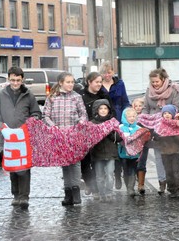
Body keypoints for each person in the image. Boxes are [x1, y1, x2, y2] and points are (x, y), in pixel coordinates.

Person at [0, 67, 42, 208]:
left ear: (22, 80)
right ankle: (16, 195)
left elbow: (36, 112)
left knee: (24, 167)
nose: (15, 83)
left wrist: (33, 120)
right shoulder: (2, 95)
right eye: (12, 80)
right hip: (7, 136)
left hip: (24, 138)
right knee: (13, 167)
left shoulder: (28, 95)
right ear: (8, 79)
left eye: (18, 80)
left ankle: (24, 196)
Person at [43, 72, 88, 206]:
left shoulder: (77, 97)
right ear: (61, 83)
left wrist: (80, 123)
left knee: (75, 163)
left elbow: (83, 114)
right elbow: (45, 115)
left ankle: (76, 192)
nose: (71, 84)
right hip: (59, 136)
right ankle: (68, 193)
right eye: (68, 82)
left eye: (72, 82)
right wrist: (53, 127)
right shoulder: (52, 97)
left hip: (74, 135)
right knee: (65, 165)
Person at [142, 68, 179, 194]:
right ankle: (162, 181)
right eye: (152, 82)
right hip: (154, 127)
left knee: (172, 157)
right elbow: (145, 107)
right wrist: (145, 120)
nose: (154, 84)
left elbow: (177, 106)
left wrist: (165, 114)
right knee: (158, 155)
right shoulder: (149, 91)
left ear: (163, 79)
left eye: (157, 81)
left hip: (169, 126)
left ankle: (175, 183)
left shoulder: (173, 90)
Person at [78, 71, 113, 199]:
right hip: (86, 131)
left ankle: (101, 188)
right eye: (97, 82)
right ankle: (92, 186)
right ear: (89, 82)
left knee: (99, 161)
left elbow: (111, 111)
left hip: (102, 133)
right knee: (85, 161)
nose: (99, 84)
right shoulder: (81, 96)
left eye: (100, 82)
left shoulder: (104, 94)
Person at [100, 61, 130, 190]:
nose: (107, 75)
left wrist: (125, 118)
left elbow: (125, 101)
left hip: (117, 117)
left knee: (118, 148)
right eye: (105, 73)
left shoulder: (119, 84)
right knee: (106, 147)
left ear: (113, 72)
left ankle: (118, 175)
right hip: (103, 118)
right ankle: (106, 176)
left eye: (109, 72)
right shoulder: (99, 84)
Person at [90, 100, 121, 201]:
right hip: (97, 153)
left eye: (105, 108)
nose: (103, 111)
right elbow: (89, 140)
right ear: (96, 110)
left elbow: (119, 138)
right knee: (99, 176)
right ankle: (102, 193)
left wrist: (111, 133)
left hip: (110, 152)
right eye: (100, 108)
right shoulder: (92, 123)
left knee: (110, 174)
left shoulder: (112, 122)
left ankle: (109, 193)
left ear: (108, 110)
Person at [159, 105, 179, 198]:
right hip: (164, 151)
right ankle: (171, 189)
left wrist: (172, 134)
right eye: (165, 113)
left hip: (175, 151)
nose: (167, 115)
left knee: (176, 171)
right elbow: (157, 139)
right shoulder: (160, 125)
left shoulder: (177, 124)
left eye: (169, 113)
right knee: (168, 171)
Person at [119, 107, 140, 197]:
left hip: (135, 154)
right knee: (126, 170)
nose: (132, 118)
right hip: (123, 154)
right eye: (129, 117)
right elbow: (118, 139)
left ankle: (131, 188)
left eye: (133, 116)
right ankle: (128, 186)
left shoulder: (139, 128)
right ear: (125, 117)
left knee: (132, 170)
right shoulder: (120, 127)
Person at [131, 97, 148, 194]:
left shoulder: (145, 117)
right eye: (135, 106)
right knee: (133, 163)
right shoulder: (130, 116)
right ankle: (132, 183)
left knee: (142, 163)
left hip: (143, 144)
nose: (138, 108)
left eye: (140, 106)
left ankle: (141, 184)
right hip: (133, 144)